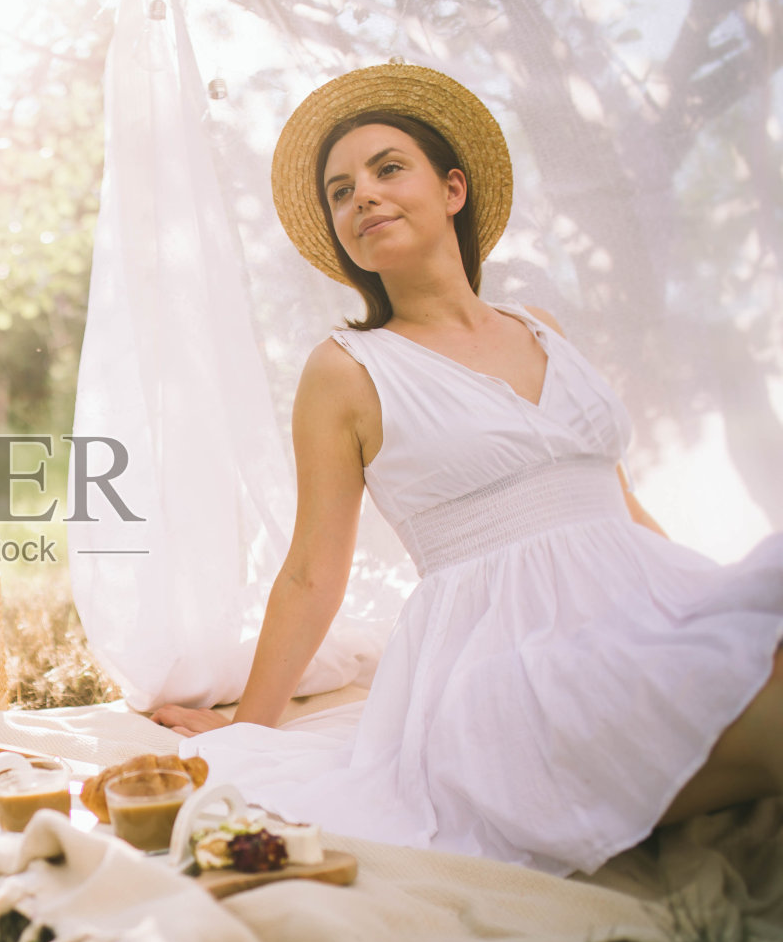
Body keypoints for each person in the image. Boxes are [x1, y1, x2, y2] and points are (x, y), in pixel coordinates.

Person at [149, 63, 783, 876]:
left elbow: (616, 502)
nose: (362, 197)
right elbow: (312, 571)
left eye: (386, 169)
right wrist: (249, 726)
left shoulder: (541, 326)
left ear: (453, 190)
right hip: (510, 662)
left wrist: (710, 602)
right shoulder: (347, 369)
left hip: (637, 608)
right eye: (340, 191)